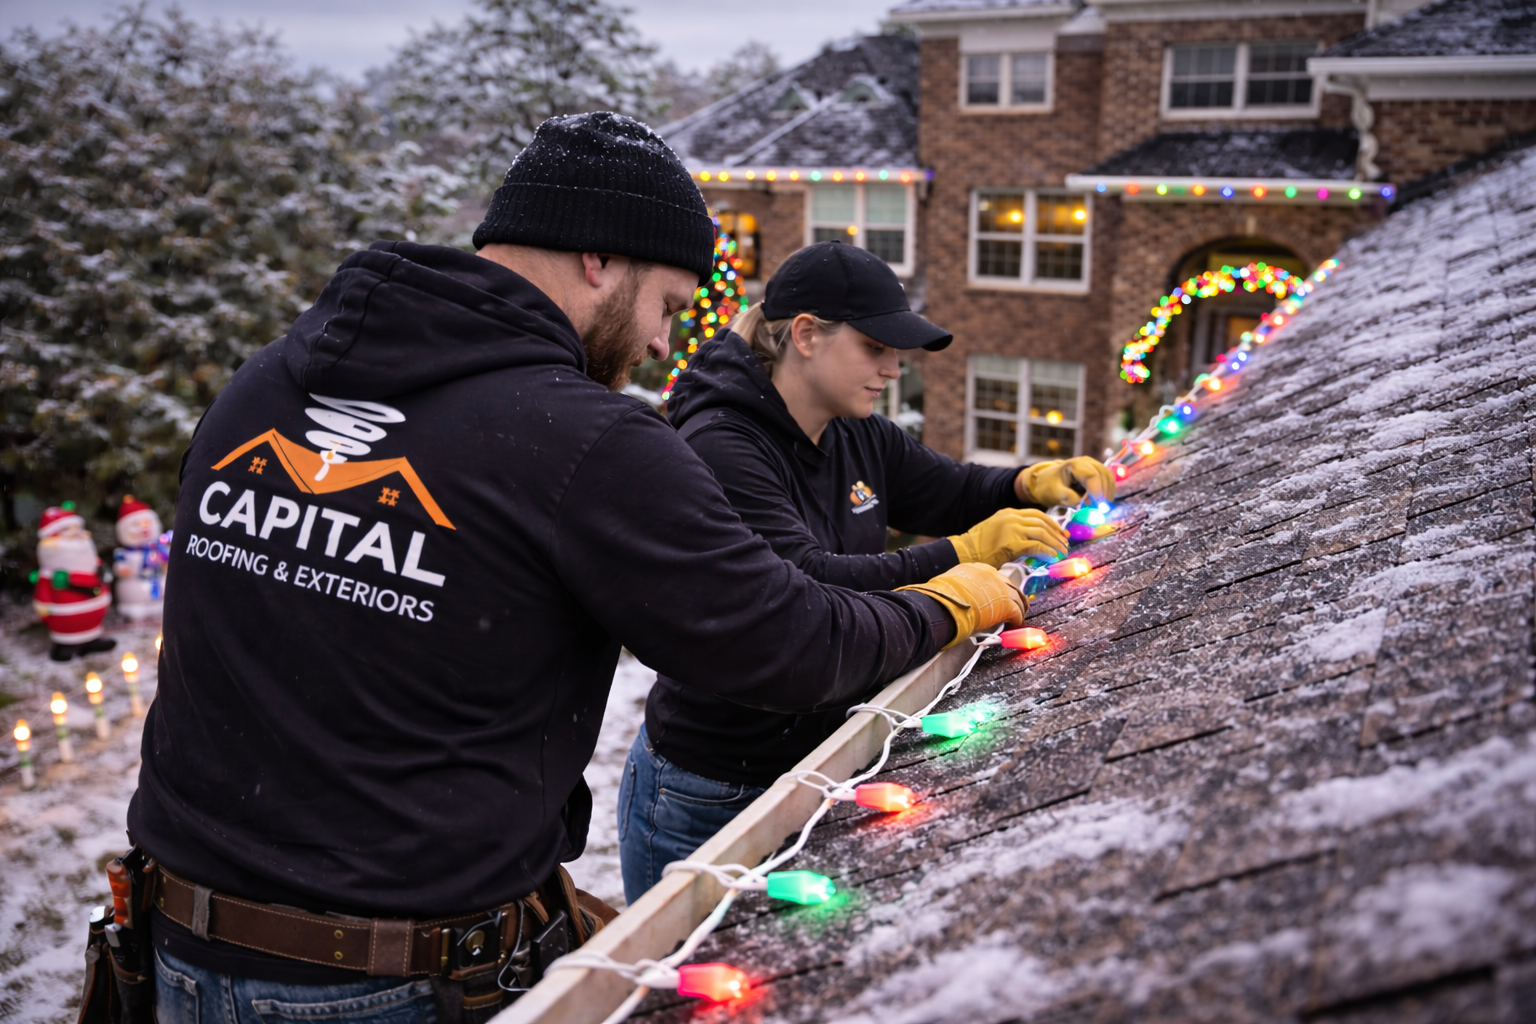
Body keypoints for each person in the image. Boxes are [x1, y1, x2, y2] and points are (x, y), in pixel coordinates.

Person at [124, 113, 1026, 1024]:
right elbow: (782, 642)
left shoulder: (265, 386)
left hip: (180, 952)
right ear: (600, 259)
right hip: (378, 983)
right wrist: (945, 602)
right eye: (670, 305)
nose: (666, 344)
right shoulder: (582, 442)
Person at [619, 242, 1115, 902]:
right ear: (806, 336)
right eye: (875, 346)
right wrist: (962, 557)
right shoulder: (721, 444)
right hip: (710, 786)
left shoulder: (857, 431)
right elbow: (805, 583)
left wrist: (1024, 484)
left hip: (823, 757)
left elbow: (948, 489)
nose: (891, 367)